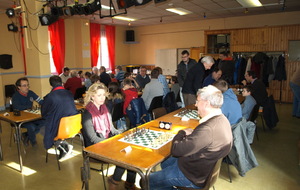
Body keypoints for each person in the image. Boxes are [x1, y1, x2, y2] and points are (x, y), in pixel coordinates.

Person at [149, 85, 233, 189]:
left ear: (206, 104)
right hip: (200, 167)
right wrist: (195, 135)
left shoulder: (208, 129)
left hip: (191, 175)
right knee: (166, 161)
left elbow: (176, 150)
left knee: (148, 180)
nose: (195, 104)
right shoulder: (222, 120)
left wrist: (181, 132)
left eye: (198, 101)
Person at [81, 83, 137, 190]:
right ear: (92, 96)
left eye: (104, 95)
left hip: (105, 141)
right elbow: (93, 138)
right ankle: (114, 181)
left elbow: (112, 130)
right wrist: (112, 143)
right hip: (93, 147)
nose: (103, 98)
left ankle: (130, 182)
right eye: (99, 95)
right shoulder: (87, 113)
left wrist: (123, 132)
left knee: (132, 150)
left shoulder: (104, 109)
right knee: (123, 155)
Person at [42, 76, 77, 159]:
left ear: (51, 85)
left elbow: (43, 113)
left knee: (43, 128)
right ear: (62, 83)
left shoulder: (50, 96)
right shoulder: (69, 93)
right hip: (74, 126)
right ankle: (62, 143)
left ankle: (62, 144)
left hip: (62, 128)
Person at [12, 77, 45, 147]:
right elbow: (17, 107)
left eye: (27, 85)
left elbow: (40, 101)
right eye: (24, 86)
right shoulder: (15, 96)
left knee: (45, 122)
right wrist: (29, 107)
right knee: (31, 127)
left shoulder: (31, 93)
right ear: (19, 87)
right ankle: (33, 141)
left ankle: (26, 135)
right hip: (21, 119)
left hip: (32, 117)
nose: (27, 87)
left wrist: (48, 103)